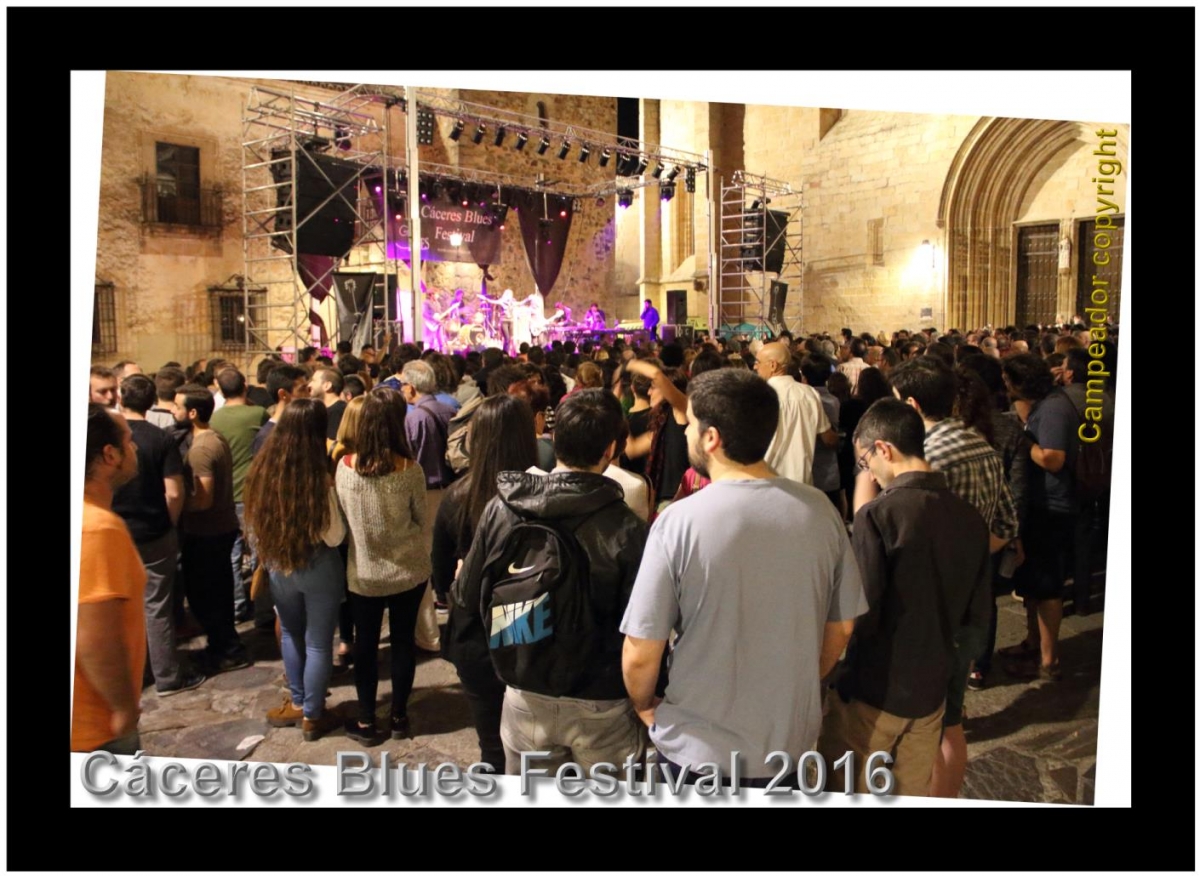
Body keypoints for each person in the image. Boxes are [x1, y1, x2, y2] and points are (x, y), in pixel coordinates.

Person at [621, 369, 866, 786]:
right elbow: (841, 627)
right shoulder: (821, 512)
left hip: (696, 747)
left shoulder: (679, 521)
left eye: (691, 424)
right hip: (786, 744)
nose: (685, 433)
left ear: (712, 438)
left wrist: (644, 706)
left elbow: (642, 647)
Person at [452, 389, 650, 775]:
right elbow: (641, 630)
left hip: (524, 686)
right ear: (611, 449)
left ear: (554, 439)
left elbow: (465, 595)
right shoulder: (627, 529)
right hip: (601, 698)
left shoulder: (503, 507)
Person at [817, 399, 990, 795]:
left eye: (865, 461)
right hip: (932, 692)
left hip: (874, 690)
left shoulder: (879, 515)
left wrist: (828, 675)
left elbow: (861, 613)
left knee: (846, 787)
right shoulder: (969, 516)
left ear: (884, 448)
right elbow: (978, 617)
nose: (869, 472)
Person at [432, 395, 539, 773]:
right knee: (536, 750)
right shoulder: (543, 495)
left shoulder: (458, 497)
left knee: (492, 749)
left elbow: (441, 580)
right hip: (530, 630)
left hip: (476, 634)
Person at [244, 399, 346, 741]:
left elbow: (253, 527)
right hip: (319, 566)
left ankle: (299, 702)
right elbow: (334, 535)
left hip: (279, 563)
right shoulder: (319, 476)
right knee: (319, 643)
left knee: (290, 633)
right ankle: (313, 716)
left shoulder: (262, 470)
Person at [335, 387, 430, 743]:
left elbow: (343, 522)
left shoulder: (345, 468)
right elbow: (421, 520)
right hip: (407, 570)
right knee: (404, 643)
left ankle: (365, 720)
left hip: (364, 572)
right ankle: (399, 718)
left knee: (366, 644)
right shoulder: (409, 470)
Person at [110, 375, 204, 696]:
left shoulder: (103, 438)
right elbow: (174, 493)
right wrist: (169, 523)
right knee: (156, 605)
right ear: (152, 403)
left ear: (121, 399)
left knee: (122, 607)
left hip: (115, 533)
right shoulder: (161, 440)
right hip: (153, 533)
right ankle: (166, 676)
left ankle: (133, 675)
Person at [73, 404, 147, 753]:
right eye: (129, 441)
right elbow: (93, 635)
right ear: (110, 455)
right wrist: (122, 707)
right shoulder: (98, 529)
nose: (135, 448)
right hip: (93, 728)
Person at [174, 384, 254, 675]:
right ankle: (222, 647)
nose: (173, 410)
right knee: (213, 593)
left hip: (208, 532)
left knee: (209, 595)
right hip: (217, 529)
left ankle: (228, 650)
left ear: (192, 412)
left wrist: (177, 505)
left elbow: (203, 497)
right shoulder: (211, 438)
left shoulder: (203, 448)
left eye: (177, 406)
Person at [754, 341, 835, 485]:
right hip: (802, 482)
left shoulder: (759, 396)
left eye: (758, 362)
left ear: (773, 365)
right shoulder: (809, 394)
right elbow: (827, 436)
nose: (755, 367)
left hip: (768, 481)